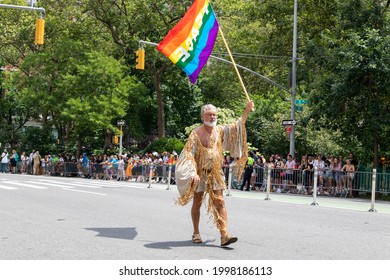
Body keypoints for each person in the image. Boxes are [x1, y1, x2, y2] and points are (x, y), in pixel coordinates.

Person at [175, 101, 254, 247]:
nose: (212, 117)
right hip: (200, 173)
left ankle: (224, 235)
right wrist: (193, 173)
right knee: (197, 202)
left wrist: (247, 110)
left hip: (216, 173)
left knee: (220, 202)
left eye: (214, 115)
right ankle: (196, 232)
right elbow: (188, 154)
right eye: (209, 114)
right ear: (203, 116)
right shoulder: (195, 133)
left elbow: (238, 125)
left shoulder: (220, 130)